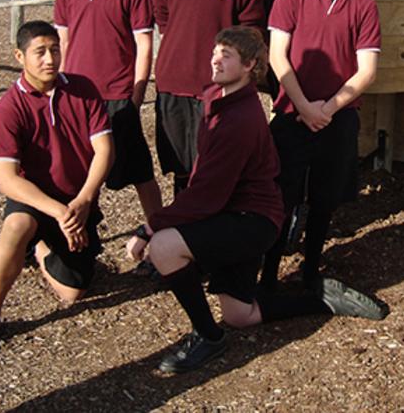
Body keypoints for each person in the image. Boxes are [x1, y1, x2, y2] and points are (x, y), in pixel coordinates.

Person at [126, 27, 387, 373]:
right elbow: (207, 189)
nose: (216, 60)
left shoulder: (240, 119)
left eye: (227, 55)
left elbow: (205, 195)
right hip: (231, 214)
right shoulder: (215, 99)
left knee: (163, 247)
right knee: (241, 316)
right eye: (215, 52)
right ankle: (320, 300)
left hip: (251, 222)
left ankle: (208, 337)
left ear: (250, 65)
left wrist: (148, 227)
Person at [0, 21, 113, 357]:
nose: (49, 58)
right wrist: (59, 211)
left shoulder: (83, 89)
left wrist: (83, 200)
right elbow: (7, 180)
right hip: (34, 200)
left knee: (72, 293)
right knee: (17, 224)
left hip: (77, 200)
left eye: (54, 49)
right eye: (39, 52)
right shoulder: (9, 107)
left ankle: (41, 250)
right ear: (20, 56)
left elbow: (105, 150)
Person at [259, 0, 381, 292]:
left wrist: (327, 109)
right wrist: (304, 107)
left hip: (337, 120)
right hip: (291, 116)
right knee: (280, 199)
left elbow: (367, 72)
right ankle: (268, 276)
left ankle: (311, 270)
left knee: (325, 201)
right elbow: (278, 57)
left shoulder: (364, 7)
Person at [154, 0, 265, 195]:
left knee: (212, 169)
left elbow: (250, 31)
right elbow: (163, 15)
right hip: (173, 80)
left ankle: (208, 237)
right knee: (180, 169)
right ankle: (179, 234)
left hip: (216, 87)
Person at [54, 0, 161, 222]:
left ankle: (159, 235)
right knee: (80, 172)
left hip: (116, 96)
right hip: (76, 96)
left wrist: (136, 97)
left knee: (140, 172)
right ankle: (82, 242)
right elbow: (64, 41)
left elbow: (144, 45)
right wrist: (58, 90)